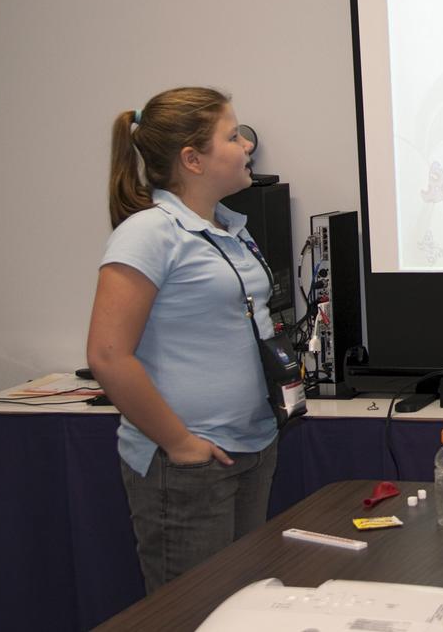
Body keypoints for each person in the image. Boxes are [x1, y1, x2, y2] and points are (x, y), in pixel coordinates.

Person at [85, 86, 279, 594]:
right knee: (193, 613)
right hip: (191, 463)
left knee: (243, 610)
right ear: (192, 160)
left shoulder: (231, 228)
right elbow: (107, 354)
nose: (247, 146)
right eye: (232, 137)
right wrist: (179, 443)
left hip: (252, 447)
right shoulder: (149, 233)